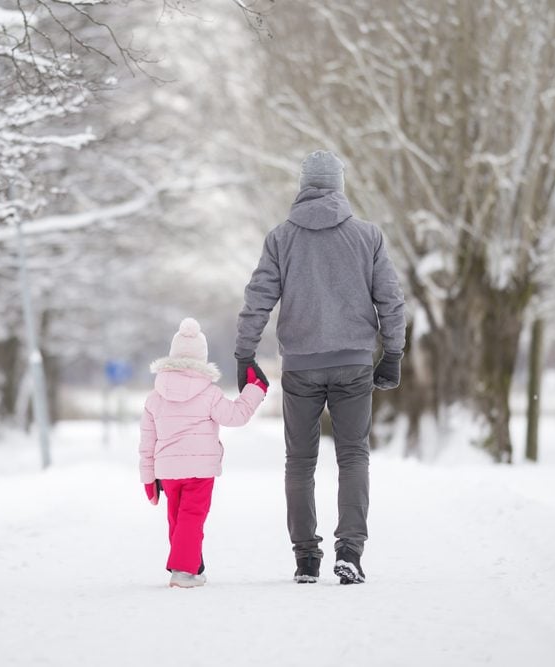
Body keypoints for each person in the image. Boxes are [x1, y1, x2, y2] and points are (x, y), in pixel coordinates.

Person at [234, 150, 407, 585]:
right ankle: (350, 550)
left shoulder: (281, 238)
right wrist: (393, 353)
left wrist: (244, 354)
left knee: (300, 461)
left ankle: (306, 557)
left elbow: (258, 300)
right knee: (353, 457)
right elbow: (390, 299)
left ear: (303, 186)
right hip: (353, 363)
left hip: (301, 367)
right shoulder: (368, 236)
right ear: (339, 186)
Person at [139, 317, 268, 588]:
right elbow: (236, 416)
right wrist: (255, 390)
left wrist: (148, 479)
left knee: (177, 518)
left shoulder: (154, 397)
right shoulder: (209, 393)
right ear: (202, 358)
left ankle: (191, 567)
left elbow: (147, 442)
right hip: (200, 472)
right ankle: (183, 571)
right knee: (192, 518)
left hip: (168, 472)